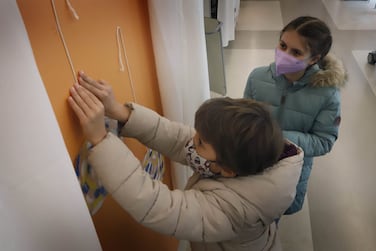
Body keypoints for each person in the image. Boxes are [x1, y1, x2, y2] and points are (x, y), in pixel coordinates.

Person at [68, 71, 304, 251]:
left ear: (228, 170)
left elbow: (159, 207)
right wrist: (121, 113)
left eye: (200, 142)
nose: (192, 141)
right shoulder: (243, 160)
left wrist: (100, 140)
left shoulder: (231, 210)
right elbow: (178, 139)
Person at [244, 16, 347, 215]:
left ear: (314, 59)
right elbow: (245, 116)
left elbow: (324, 141)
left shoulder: (328, 94)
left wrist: (279, 139)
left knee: (274, 213)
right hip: (255, 161)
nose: (284, 54)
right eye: (282, 45)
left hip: (291, 170)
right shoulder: (257, 77)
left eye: (296, 52)